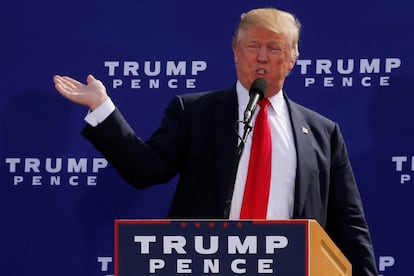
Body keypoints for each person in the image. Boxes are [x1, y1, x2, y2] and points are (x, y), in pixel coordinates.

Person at [53, 7, 378, 275]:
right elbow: (145, 169)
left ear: (292, 59)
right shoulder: (195, 112)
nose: (261, 58)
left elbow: (349, 224)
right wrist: (102, 108)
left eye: (274, 48)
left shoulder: (323, 132)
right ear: (236, 54)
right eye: (252, 47)